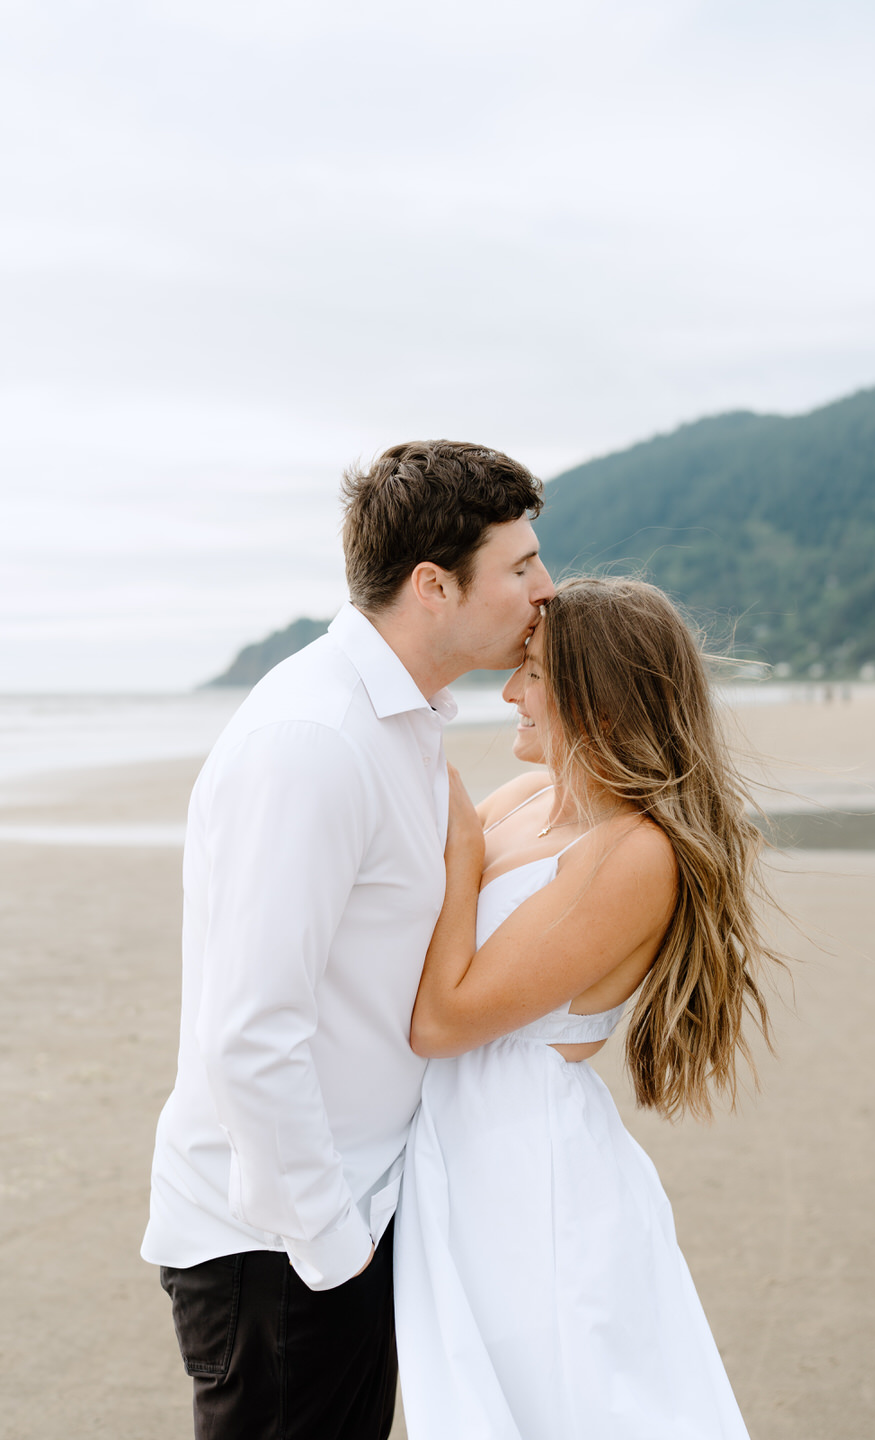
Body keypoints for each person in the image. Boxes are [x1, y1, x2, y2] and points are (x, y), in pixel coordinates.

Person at [141, 440, 554, 1440]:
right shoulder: (314, 741)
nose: (547, 588)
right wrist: (332, 1246)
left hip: (350, 1216)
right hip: (280, 1245)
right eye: (522, 565)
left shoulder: (401, 723)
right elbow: (250, 1033)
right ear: (433, 587)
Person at [394, 576, 781, 1440]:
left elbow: (444, 1019)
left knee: (568, 1404)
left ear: (596, 699)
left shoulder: (636, 853)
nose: (508, 694)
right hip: (459, 1152)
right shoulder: (527, 801)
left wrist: (461, 854)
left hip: (532, 1173)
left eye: (530, 674)